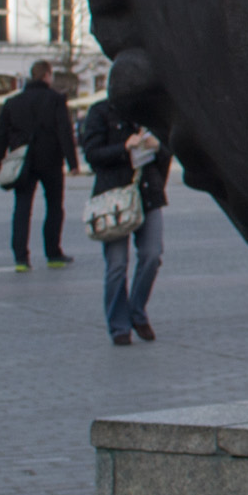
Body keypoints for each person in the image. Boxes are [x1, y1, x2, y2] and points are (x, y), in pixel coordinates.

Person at [81, 92, 172, 344]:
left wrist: (159, 147)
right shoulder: (100, 112)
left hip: (148, 194)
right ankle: (119, 326)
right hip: (115, 199)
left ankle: (137, 311)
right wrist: (124, 147)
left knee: (152, 255)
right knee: (117, 265)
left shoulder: (150, 114)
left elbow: (168, 150)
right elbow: (92, 154)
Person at [0, 62, 81, 272]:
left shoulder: (12, 102)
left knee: (22, 208)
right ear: (47, 76)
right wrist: (73, 163)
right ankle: (53, 253)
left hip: (22, 162)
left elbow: (1, 135)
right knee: (54, 207)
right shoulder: (56, 100)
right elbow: (64, 131)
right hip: (51, 160)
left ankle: (21, 258)